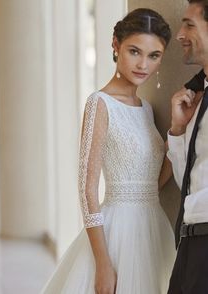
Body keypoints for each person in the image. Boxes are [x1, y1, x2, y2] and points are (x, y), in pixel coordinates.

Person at [41, 8, 175, 294]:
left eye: (154, 55)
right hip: (117, 235)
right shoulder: (99, 104)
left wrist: (176, 134)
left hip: (152, 231)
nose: (143, 64)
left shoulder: (147, 108)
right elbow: (86, 189)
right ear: (116, 44)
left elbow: (151, 184)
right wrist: (103, 263)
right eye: (134, 51)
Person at [167, 0, 208, 293]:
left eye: (190, 25)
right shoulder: (195, 96)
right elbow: (189, 182)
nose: (180, 34)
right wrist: (179, 130)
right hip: (190, 242)